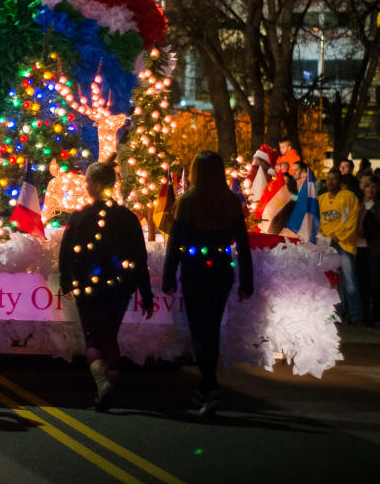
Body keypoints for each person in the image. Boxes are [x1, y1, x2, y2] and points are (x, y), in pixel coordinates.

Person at [162, 151, 254, 419]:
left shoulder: (188, 201)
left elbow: (174, 244)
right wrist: (246, 281)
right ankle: (206, 388)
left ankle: (210, 387)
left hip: (194, 270)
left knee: (198, 330)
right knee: (211, 329)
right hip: (222, 271)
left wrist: (169, 277)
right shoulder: (231, 202)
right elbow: (244, 245)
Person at [59, 161, 152, 411]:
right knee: (110, 335)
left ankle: (102, 385)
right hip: (119, 287)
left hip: (88, 286)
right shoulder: (127, 217)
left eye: (88, 181)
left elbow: (67, 251)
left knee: (93, 339)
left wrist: (65, 280)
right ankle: (109, 384)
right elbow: (140, 258)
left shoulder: (80, 216)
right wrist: (146, 293)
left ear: (97, 184)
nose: (86, 185)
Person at [320, 169, 362, 324]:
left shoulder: (349, 197)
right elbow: (318, 222)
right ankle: (336, 312)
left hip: (344, 244)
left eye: (334, 179)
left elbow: (352, 220)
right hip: (327, 245)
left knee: (349, 280)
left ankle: (356, 315)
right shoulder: (322, 199)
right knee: (331, 282)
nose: (330, 182)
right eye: (328, 179)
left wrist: (337, 236)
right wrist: (324, 237)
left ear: (340, 181)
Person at [356, 175, 380, 325]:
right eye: (368, 186)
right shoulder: (358, 204)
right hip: (359, 247)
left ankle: (377, 315)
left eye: (374, 187)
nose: (371, 190)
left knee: (375, 282)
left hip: (374, 248)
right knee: (362, 282)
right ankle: (364, 314)